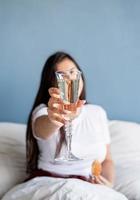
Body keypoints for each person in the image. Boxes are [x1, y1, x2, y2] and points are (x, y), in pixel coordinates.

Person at [2, 52, 128, 200]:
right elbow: (42, 129)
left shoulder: (97, 112)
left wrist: (108, 183)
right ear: (52, 84)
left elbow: (107, 160)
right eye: (61, 75)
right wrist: (56, 118)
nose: (70, 78)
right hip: (50, 184)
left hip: (91, 188)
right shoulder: (44, 111)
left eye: (73, 72)